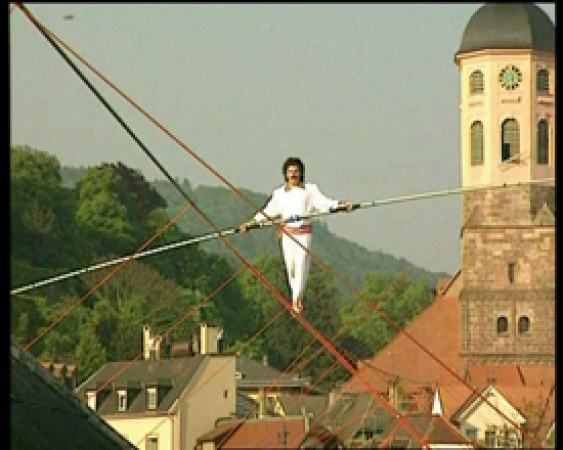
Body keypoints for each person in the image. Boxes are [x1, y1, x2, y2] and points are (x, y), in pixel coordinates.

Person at [239, 157, 354, 314]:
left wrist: (341, 205)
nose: (293, 175)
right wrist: (250, 224)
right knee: (291, 269)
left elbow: (325, 204)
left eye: (296, 172)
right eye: (290, 172)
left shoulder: (309, 190)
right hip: (287, 234)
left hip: (303, 233)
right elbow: (268, 213)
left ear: (301, 173)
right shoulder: (279, 194)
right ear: (285, 174)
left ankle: (296, 300)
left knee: (301, 265)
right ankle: (295, 298)